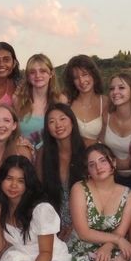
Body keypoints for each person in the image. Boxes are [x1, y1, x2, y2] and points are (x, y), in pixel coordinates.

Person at [68, 144, 131, 261]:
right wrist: (117, 240)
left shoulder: (128, 195)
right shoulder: (79, 189)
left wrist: (109, 245)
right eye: (92, 164)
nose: (98, 167)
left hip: (111, 246)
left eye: (103, 161)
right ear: (88, 170)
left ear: (113, 162)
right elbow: (83, 232)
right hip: (82, 245)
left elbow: (121, 232)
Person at [36, 103, 86, 241]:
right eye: (51, 122)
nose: (58, 125)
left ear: (72, 121)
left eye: (62, 119)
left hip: (86, 221)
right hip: (54, 222)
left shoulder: (88, 147)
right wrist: (53, 227)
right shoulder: (43, 153)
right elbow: (41, 193)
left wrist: (76, 225)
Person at [13, 53, 67, 150]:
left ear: (51, 74)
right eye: (32, 72)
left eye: (43, 71)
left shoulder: (61, 100)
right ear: (28, 77)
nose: (38, 75)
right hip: (24, 157)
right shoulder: (18, 100)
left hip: (51, 157)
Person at [100, 73, 131, 186]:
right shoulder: (106, 115)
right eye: (111, 88)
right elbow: (101, 146)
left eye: (121, 88)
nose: (115, 92)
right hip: (111, 178)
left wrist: (109, 162)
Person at [62, 54, 107, 146]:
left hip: (95, 157)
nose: (81, 81)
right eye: (76, 78)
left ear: (93, 74)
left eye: (85, 74)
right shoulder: (66, 101)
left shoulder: (106, 102)